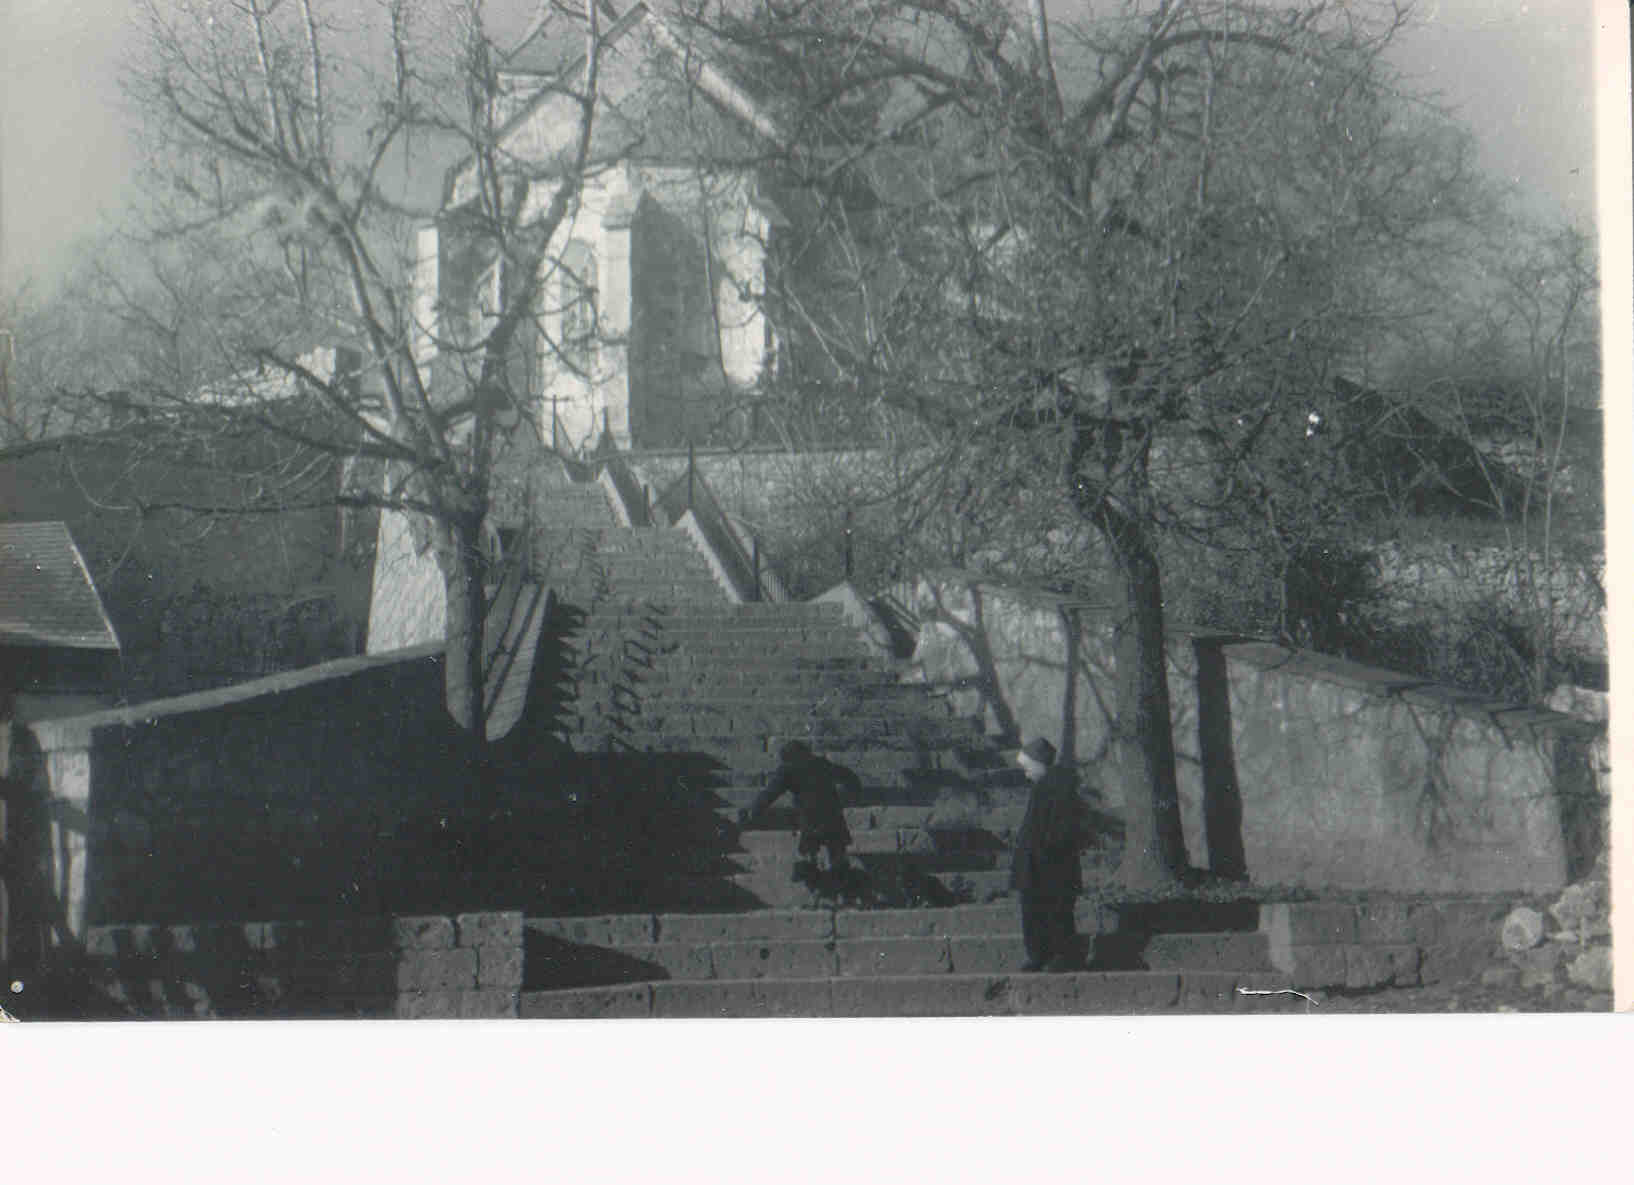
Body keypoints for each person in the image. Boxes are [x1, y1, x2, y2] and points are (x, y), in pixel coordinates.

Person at [1010, 737, 1090, 972]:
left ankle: (1062, 956)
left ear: (1039, 764)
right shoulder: (1041, 788)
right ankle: (1039, 955)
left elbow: (1062, 829)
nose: (1025, 774)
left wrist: (1046, 848)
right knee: (1034, 912)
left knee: (1056, 911)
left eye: (1027, 768)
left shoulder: (1059, 789)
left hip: (1051, 864)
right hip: (1035, 865)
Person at [739, 740, 859, 880]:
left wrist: (754, 811)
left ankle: (815, 879)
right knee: (837, 852)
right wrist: (851, 796)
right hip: (833, 815)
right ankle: (843, 881)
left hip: (810, 817)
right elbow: (849, 776)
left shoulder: (787, 769)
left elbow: (770, 793)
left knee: (809, 852)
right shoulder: (821, 763)